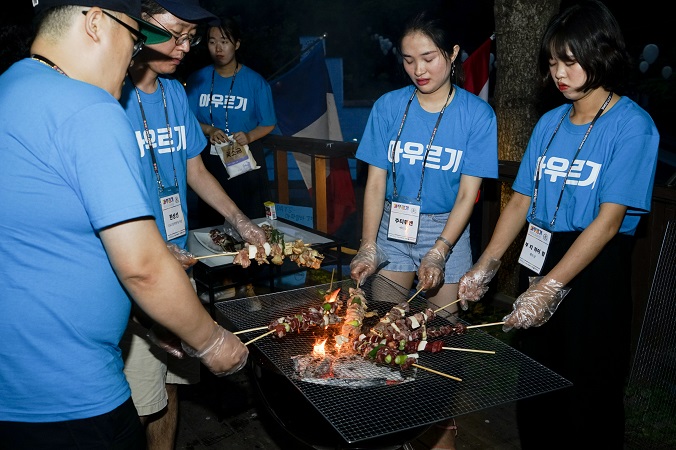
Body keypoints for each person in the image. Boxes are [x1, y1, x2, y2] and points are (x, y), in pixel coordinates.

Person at [0, 1, 249, 449]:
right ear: (96, 23)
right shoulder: (88, 107)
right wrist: (212, 342)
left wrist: (152, 321)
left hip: (15, 388)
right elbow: (142, 268)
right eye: (134, 39)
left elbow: (56, 234)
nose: (134, 55)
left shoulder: (11, 85)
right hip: (70, 392)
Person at [457, 1, 660, 448]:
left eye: (569, 61)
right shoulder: (550, 122)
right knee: (536, 387)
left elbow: (609, 223)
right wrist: (486, 265)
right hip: (541, 250)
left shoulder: (633, 126)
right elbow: (519, 202)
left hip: (594, 265)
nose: (559, 73)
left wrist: (550, 287)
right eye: (552, 62)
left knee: (589, 394)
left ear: (600, 54)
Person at [118, 1, 267, 449]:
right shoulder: (112, 96)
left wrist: (238, 218)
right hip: (135, 265)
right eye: (177, 35)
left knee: (171, 386)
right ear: (140, 29)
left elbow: (195, 168)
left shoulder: (175, 92)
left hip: (180, 260)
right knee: (138, 397)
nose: (186, 47)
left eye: (191, 38)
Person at [349, 9, 498, 450]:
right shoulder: (389, 106)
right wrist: (367, 244)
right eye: (409, 59)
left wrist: (440, 250)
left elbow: (468, 193)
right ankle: (391, 431)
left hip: (445, 231)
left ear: (452, 54)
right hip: (393, 226)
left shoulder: (477, 115)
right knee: (385, 337)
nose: (419, 70)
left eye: (429, 58)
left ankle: (439, 433)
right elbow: (375, 180)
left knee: (438, 346)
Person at [185, 16, 276, 224]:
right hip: (210, 162)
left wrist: (250, 135)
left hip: (246, 160)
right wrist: (208, 130)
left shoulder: (256, 82)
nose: (218, 48)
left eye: (224, 41)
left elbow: (269, 122)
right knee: (212, 224)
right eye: (212, 41)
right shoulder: (197, 80)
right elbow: (185, 120)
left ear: (236, 44)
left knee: (253, 221)